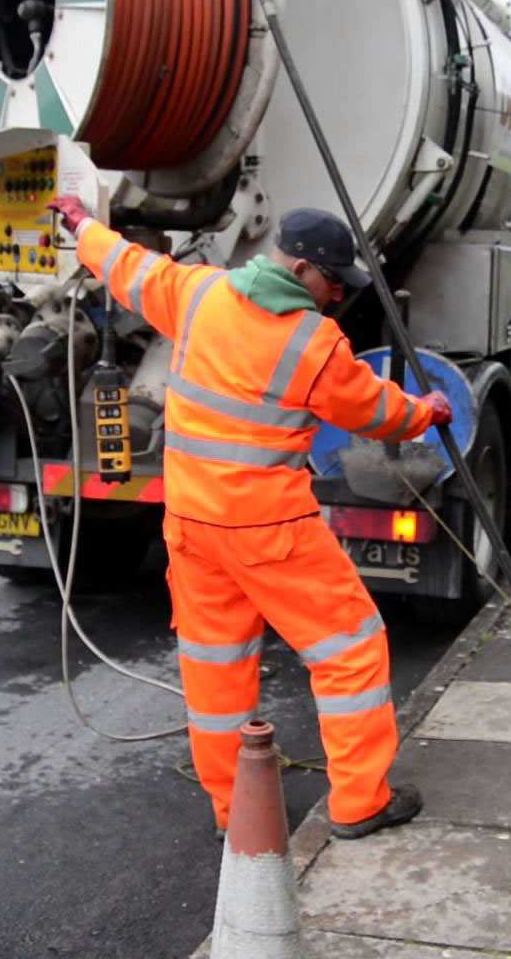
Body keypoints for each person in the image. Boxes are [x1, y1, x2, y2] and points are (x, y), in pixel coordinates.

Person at [51, 193, 452, 840]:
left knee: (216, 671)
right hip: (272, 531)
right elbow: (373, 411)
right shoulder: (313, 341)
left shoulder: (198, 293)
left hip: (192, 528)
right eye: (332, 281)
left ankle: (236, 813)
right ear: (301, 270)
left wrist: (80, 223)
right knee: (350, 650)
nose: (336, 295)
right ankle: (359, 802)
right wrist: (425, 411)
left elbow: (124, 265)